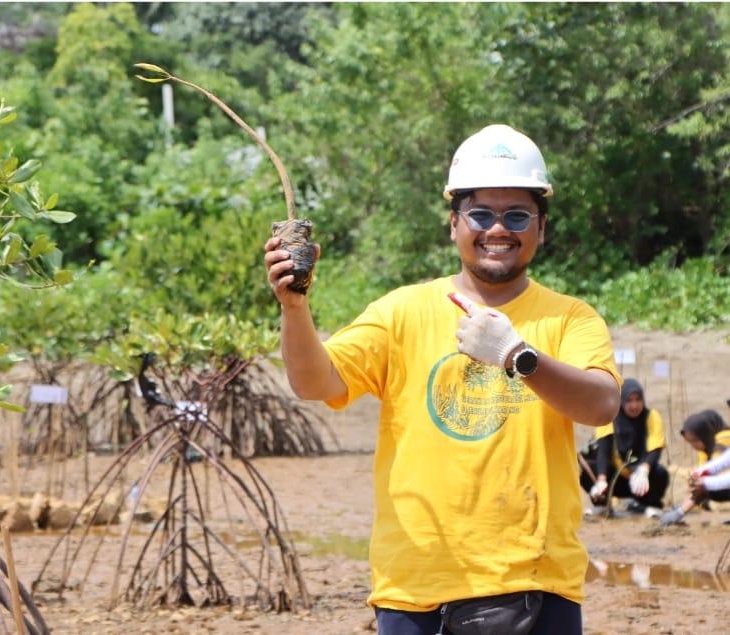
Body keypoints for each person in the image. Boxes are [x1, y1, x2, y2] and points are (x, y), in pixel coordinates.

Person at [264, 124, 621, 635]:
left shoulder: (569, 319)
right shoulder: (400, 311)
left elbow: (602, 405)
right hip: (415, 588)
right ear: (453, 223)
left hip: (534, 582)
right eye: (481, 214)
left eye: (517, 215)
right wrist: (294, 308)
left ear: (541, 227)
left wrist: (518, 356)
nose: (498, 229)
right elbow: (315, 382)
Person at [579, 378, 670, 517]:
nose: (634, 405)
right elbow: (604, 451)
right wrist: (601, 481)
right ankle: (602, 505)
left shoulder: (652, 416)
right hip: (617, 478)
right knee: (585, 469)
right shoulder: (608, 417)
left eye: (637, 399)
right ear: (620, 401)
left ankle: (643, 505)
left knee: (661, 474)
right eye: (629, 400)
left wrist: (644, 469)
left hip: (642, 481)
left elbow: (655, 448)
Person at [660, 409, 730, 526]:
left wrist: (704, 483)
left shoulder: (722, 439)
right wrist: (699, 474)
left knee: (708, 488)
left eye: (696, 441)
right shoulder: (709, 444)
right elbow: (722, 462)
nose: (693, 446)